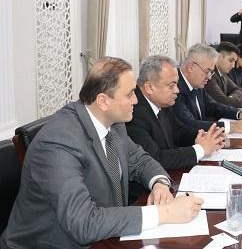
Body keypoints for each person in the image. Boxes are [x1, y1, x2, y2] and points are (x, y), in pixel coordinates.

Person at [0, 57, 203, 249]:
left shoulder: (112, 122)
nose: (136, 100)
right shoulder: (57, 143)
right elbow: (84, 223)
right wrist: (164, 213)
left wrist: (159, 183)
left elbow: (140, 160)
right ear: (103, 101)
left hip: (106, 238)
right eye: (130, 94)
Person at [127, 55, 225, 172]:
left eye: (177, 84)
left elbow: (179, 132)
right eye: (171, 85)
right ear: (149, 87)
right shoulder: (133, 113)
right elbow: (155, 158)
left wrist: (205, 136)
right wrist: (200, 149)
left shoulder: (163, 103)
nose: (177, 90)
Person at [174, 43, 242, 134]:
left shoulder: (196, 83)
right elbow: (190, 124)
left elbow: (213, 106)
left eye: (211, 72)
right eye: (207, 71)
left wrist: (241, 114)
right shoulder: (176, 88)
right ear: (191, 67)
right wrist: (234, 126)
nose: (209, 77)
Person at [205, 42, 242, 108]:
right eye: (231, 60)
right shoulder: (210, 75)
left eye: (234, 61)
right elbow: (223, 102)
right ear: (219, 57)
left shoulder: (223, 73)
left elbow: (238, 90)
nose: (233, 66)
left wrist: (231, 99)